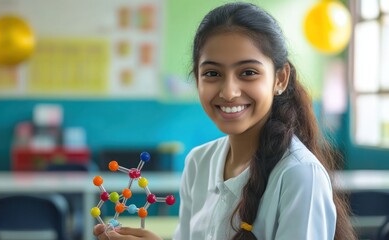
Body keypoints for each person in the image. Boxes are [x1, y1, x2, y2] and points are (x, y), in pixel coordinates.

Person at [94, 2, 356, 240]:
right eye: (212, 73)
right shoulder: (198, 162)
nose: (229, 91)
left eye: (248, 72)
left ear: (280, 79)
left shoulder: (298, 175)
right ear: (196, 78)